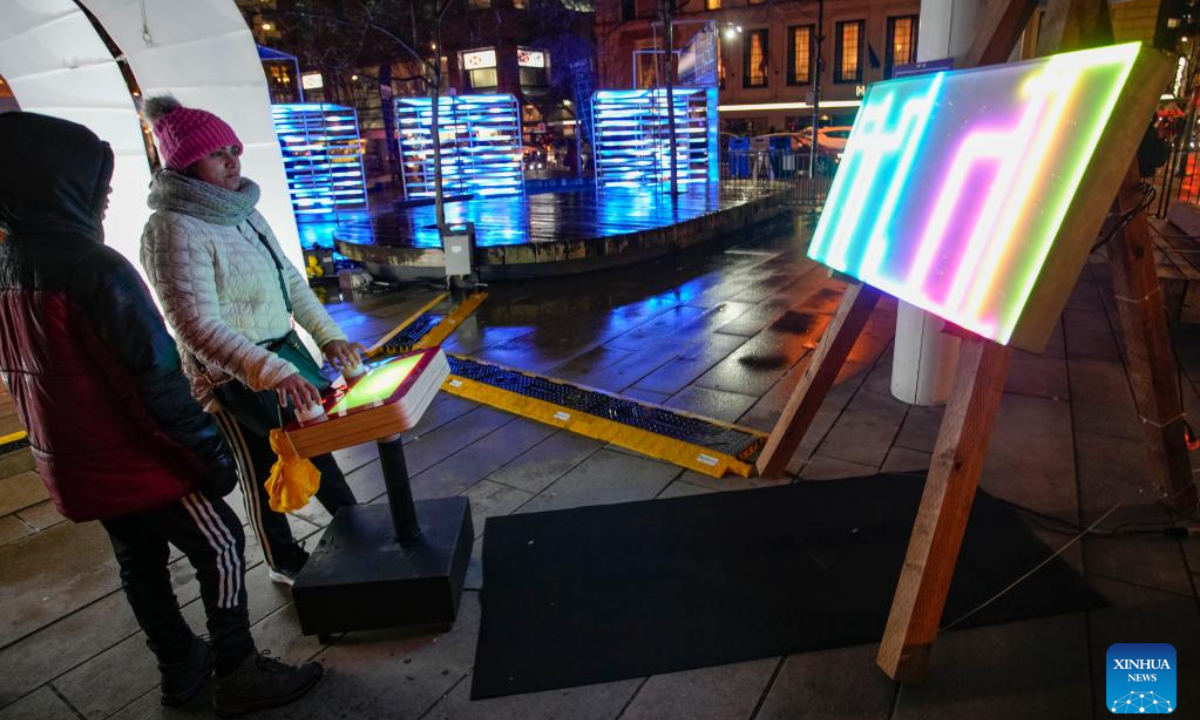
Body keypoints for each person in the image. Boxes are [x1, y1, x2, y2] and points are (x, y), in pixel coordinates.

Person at [0, 112, 322, 716]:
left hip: (71, 462)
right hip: (135, 457)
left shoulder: (8, 264)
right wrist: (205, 452)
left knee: (137, 561)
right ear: (60, 181)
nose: (107, 194)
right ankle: (238, 668)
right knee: (223, 543)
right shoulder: (94, 267)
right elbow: (152, 377)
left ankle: (180, 669)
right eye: (98, 181)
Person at [139, 97, 363, 585]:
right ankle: (282, 560)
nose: (232, 160)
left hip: (284, 355)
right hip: (234, 376)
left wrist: (329, 338)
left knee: (316, 442)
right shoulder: (172, 227)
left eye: (233, 148)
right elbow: (194, 325)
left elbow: (291, 282)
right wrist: (270, 371)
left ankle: (356, 523)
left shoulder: (244, 210)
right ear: (183, 163)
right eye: (216, 153)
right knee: (264, 465)